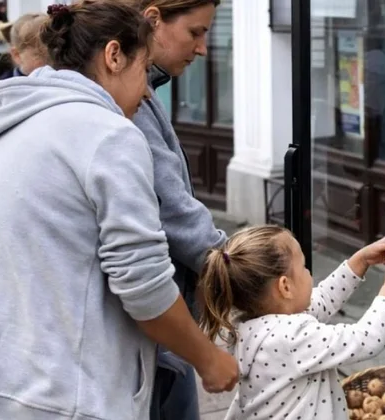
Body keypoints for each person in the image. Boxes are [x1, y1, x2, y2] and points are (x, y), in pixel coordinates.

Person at [0, 1, 237, 419]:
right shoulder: (108, 135)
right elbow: (144, 284)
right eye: (143, 75)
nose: (144, 96)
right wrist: (208, 358)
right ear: (114, 56)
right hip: (55, 398)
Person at [199, 225, 385, 419]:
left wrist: (359, 262)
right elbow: (366, 339)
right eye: (303, 268)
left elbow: (322, 300)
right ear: (284, 287)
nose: (309, 274)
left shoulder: (250, 327)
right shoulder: (291, 337)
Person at [130, 1, 225, 419]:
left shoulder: (142, 90)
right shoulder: (125, 102)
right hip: (155, 338)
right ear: (153, 21)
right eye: (195, 32)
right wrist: (252, 269)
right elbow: (175, 217)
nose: (202, 48)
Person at [0, 12, 46, 80]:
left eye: (54, 53)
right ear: (17, 55)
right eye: (39, 54)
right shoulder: (3, 87)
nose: (51, 60)